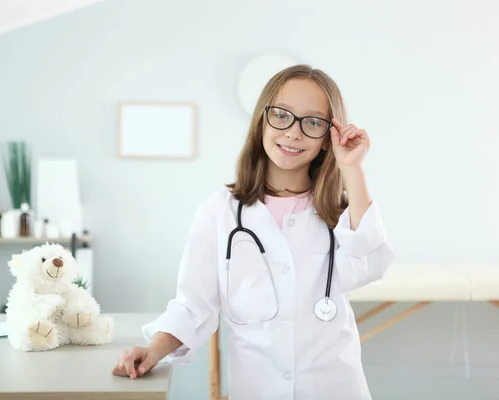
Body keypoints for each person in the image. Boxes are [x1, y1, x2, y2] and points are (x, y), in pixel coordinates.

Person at [111, 64, 395, 400]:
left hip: (333, 387)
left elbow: (371, 264)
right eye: (282, 115)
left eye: (313, 122)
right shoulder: (221, 211)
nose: (293, 132)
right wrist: (154, 350)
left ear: (327, 139)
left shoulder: (340, 210)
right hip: (258, 389)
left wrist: (352, 168)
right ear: (262, 121)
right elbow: (194, 304)